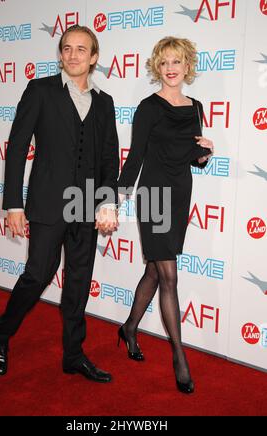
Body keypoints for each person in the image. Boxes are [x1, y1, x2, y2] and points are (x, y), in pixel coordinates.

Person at [0, 25, 119, 383]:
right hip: (48, 203)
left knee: (78, 284)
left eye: (82, 49)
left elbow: (110, 157)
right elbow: (17, 148)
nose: (73, 55)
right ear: (61, 54)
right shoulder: (40, 90)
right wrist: (13, 204)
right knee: (37, 276)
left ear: (94, 58)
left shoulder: (105, 102)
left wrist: (108, 202)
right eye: (67, 48)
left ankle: (74, 355)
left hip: (86, 206)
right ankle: (0, 336)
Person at [117, 36, 214, 394]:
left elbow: (191, 157)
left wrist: (204, 153)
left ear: (187, 66)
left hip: (179, 194)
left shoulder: (196, 106)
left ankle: (129, 327)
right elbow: (136, 157)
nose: (171, 69)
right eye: (164, 63)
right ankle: (179, 357)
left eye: (177, 62)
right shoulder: (148, 107)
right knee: (169, 276)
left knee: (155, 272)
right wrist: (113, 198)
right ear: (157, 68)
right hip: (154, 195)